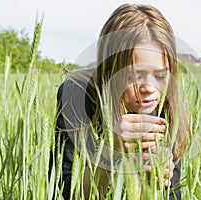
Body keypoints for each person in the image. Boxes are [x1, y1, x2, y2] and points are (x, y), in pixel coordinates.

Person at [49, 4, 190, 200]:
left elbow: (174, 195)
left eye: (159, 75)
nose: (149, 87)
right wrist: (110, 151)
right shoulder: (77, 95)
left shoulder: (166, 106)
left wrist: (151, 186)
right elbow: (62, 193)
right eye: (134, 76)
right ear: (110, 72)